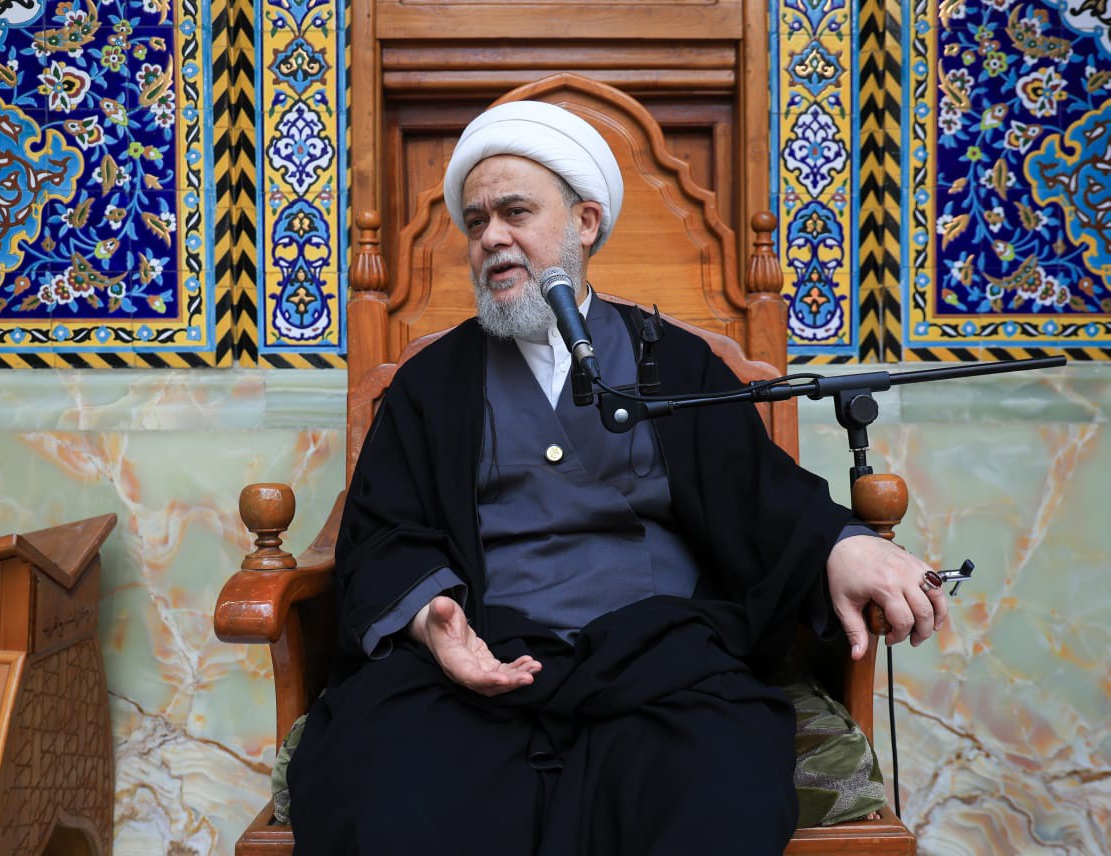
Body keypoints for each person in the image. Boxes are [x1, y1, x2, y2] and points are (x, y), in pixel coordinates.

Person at [287, 101, 947, 855]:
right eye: (475, 222)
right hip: (481, 665)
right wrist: (428, 615)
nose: (491, 238)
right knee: (383, 792)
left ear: (585, 222)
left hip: (658, 664)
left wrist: (842, 543)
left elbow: (758, 495)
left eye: (514, 213)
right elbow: (384, 533)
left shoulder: (679, 363)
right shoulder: (432, 383)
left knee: (717, 793)